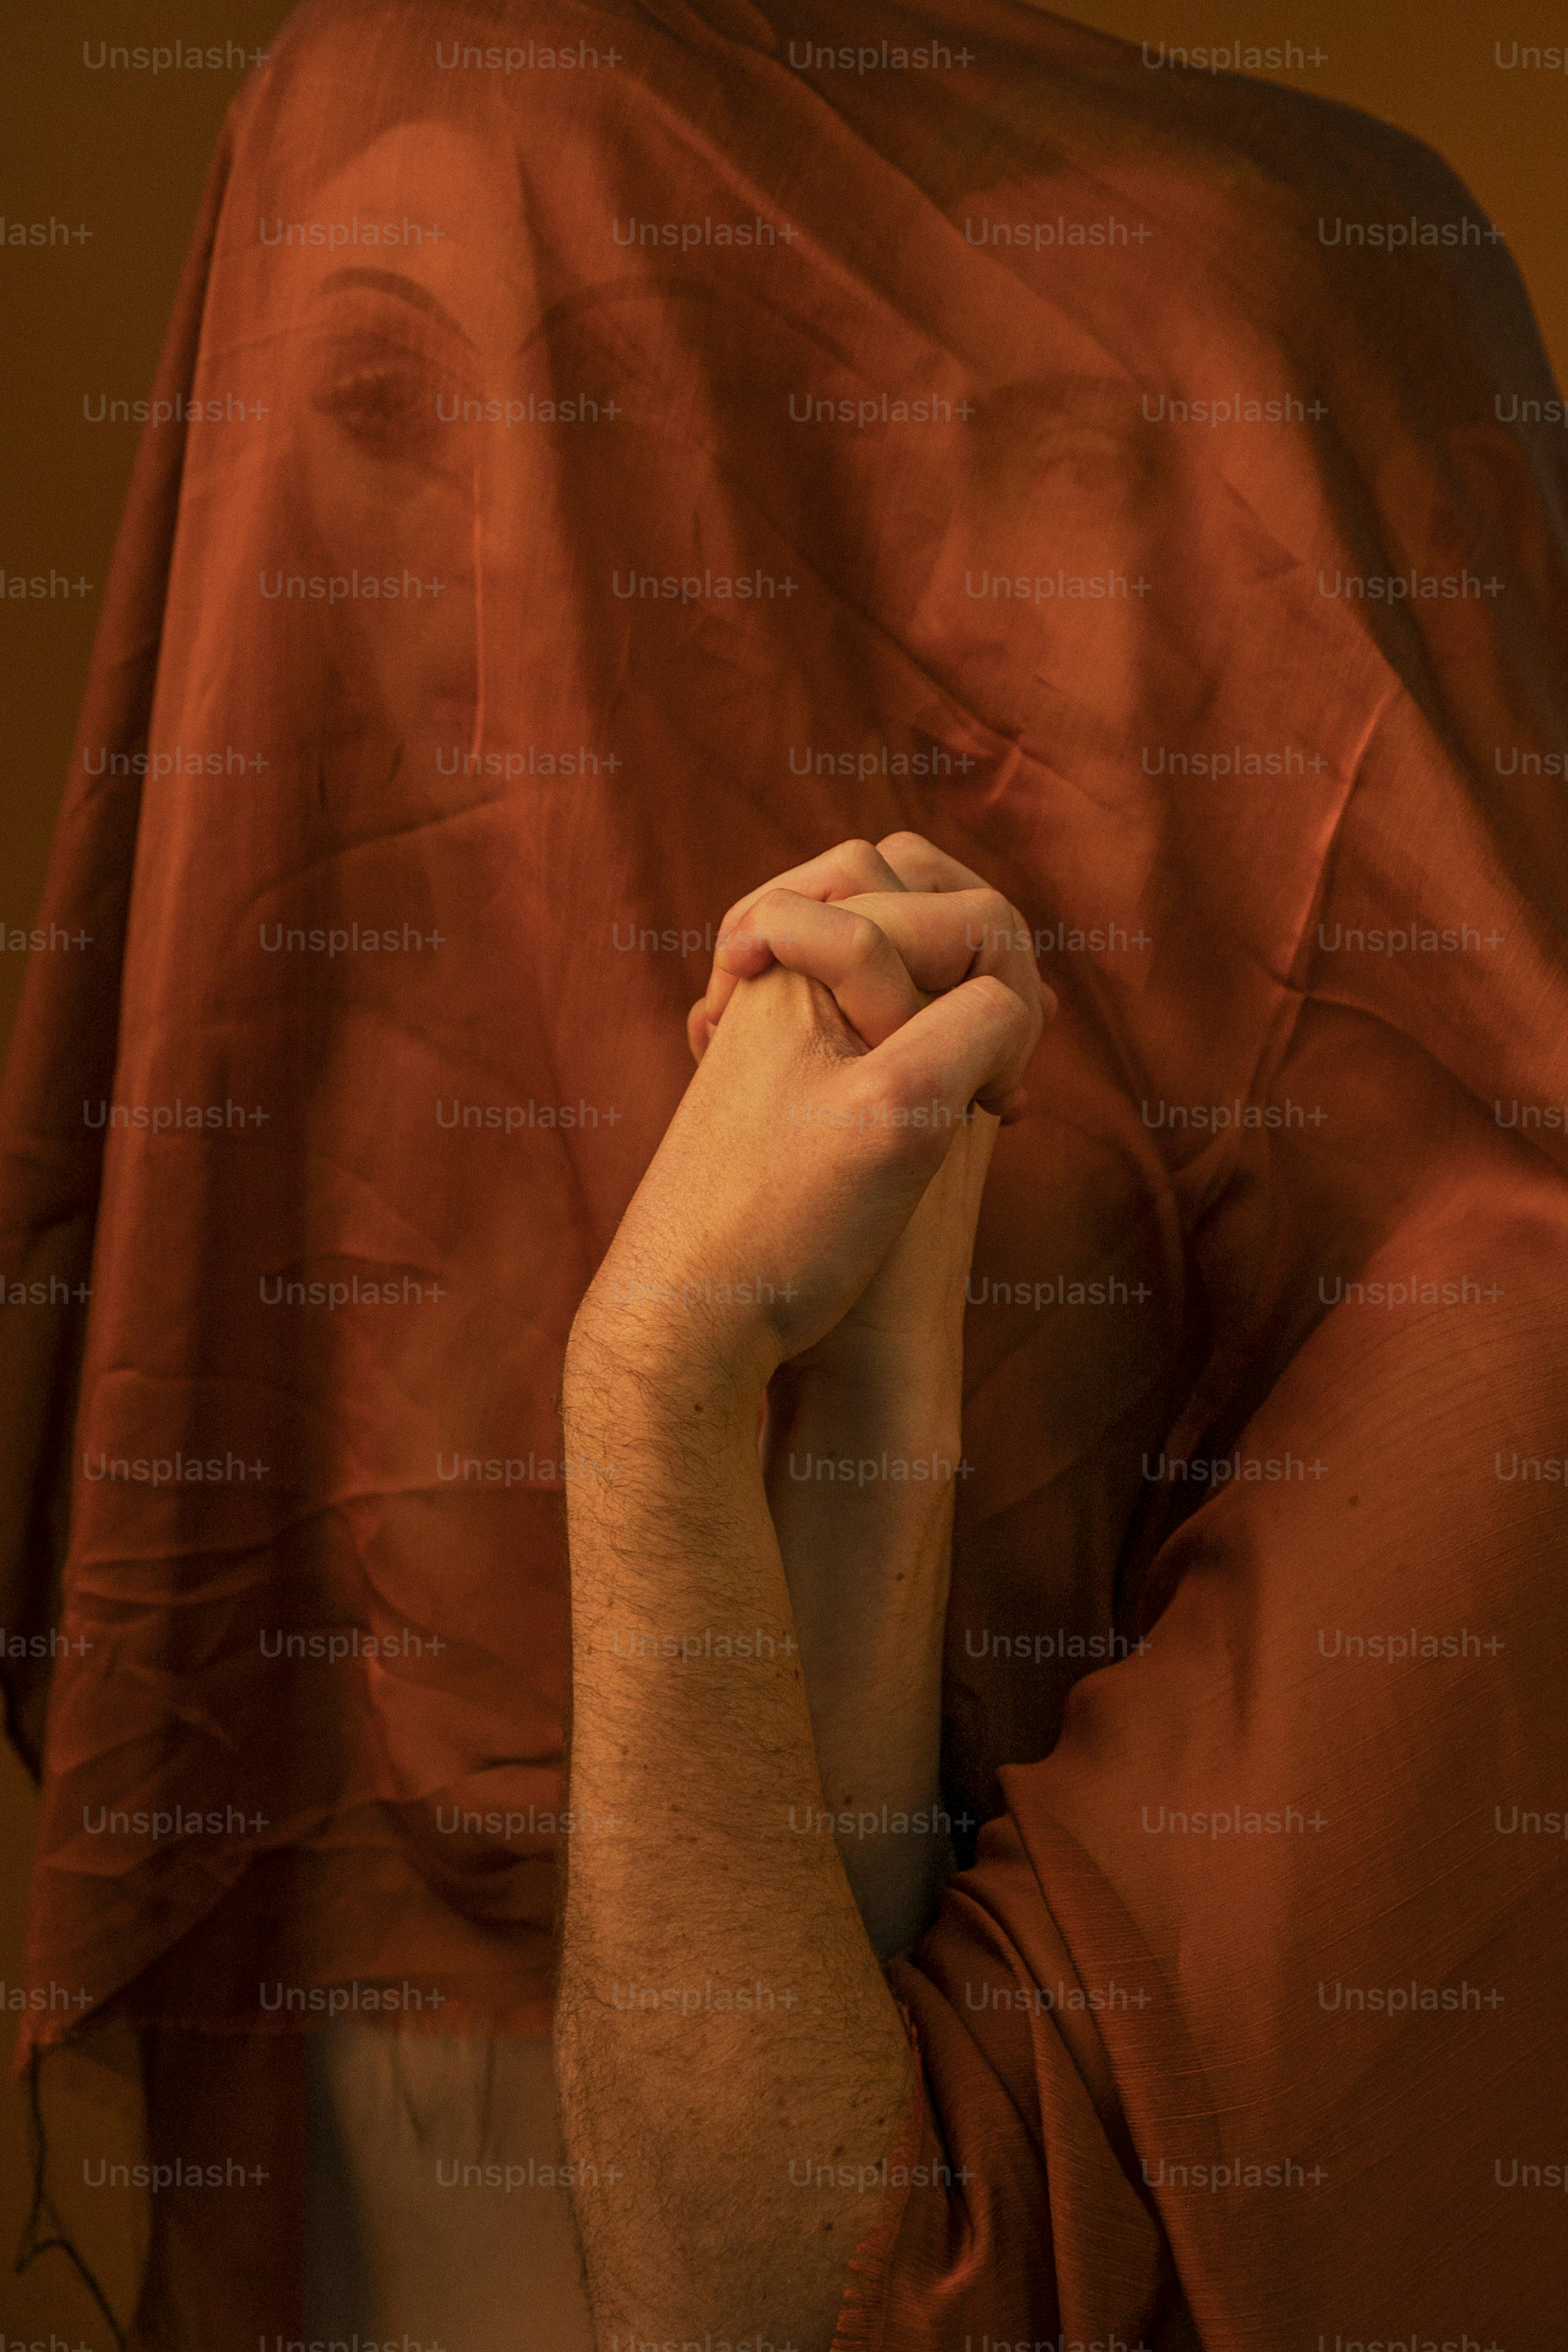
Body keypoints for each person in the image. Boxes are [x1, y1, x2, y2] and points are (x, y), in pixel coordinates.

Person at [1, 0, 1565, 2340]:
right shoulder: (362, 1538)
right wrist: (774, 1425)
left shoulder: (1483, 1368)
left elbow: (792, 2291)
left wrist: (661, 1403)